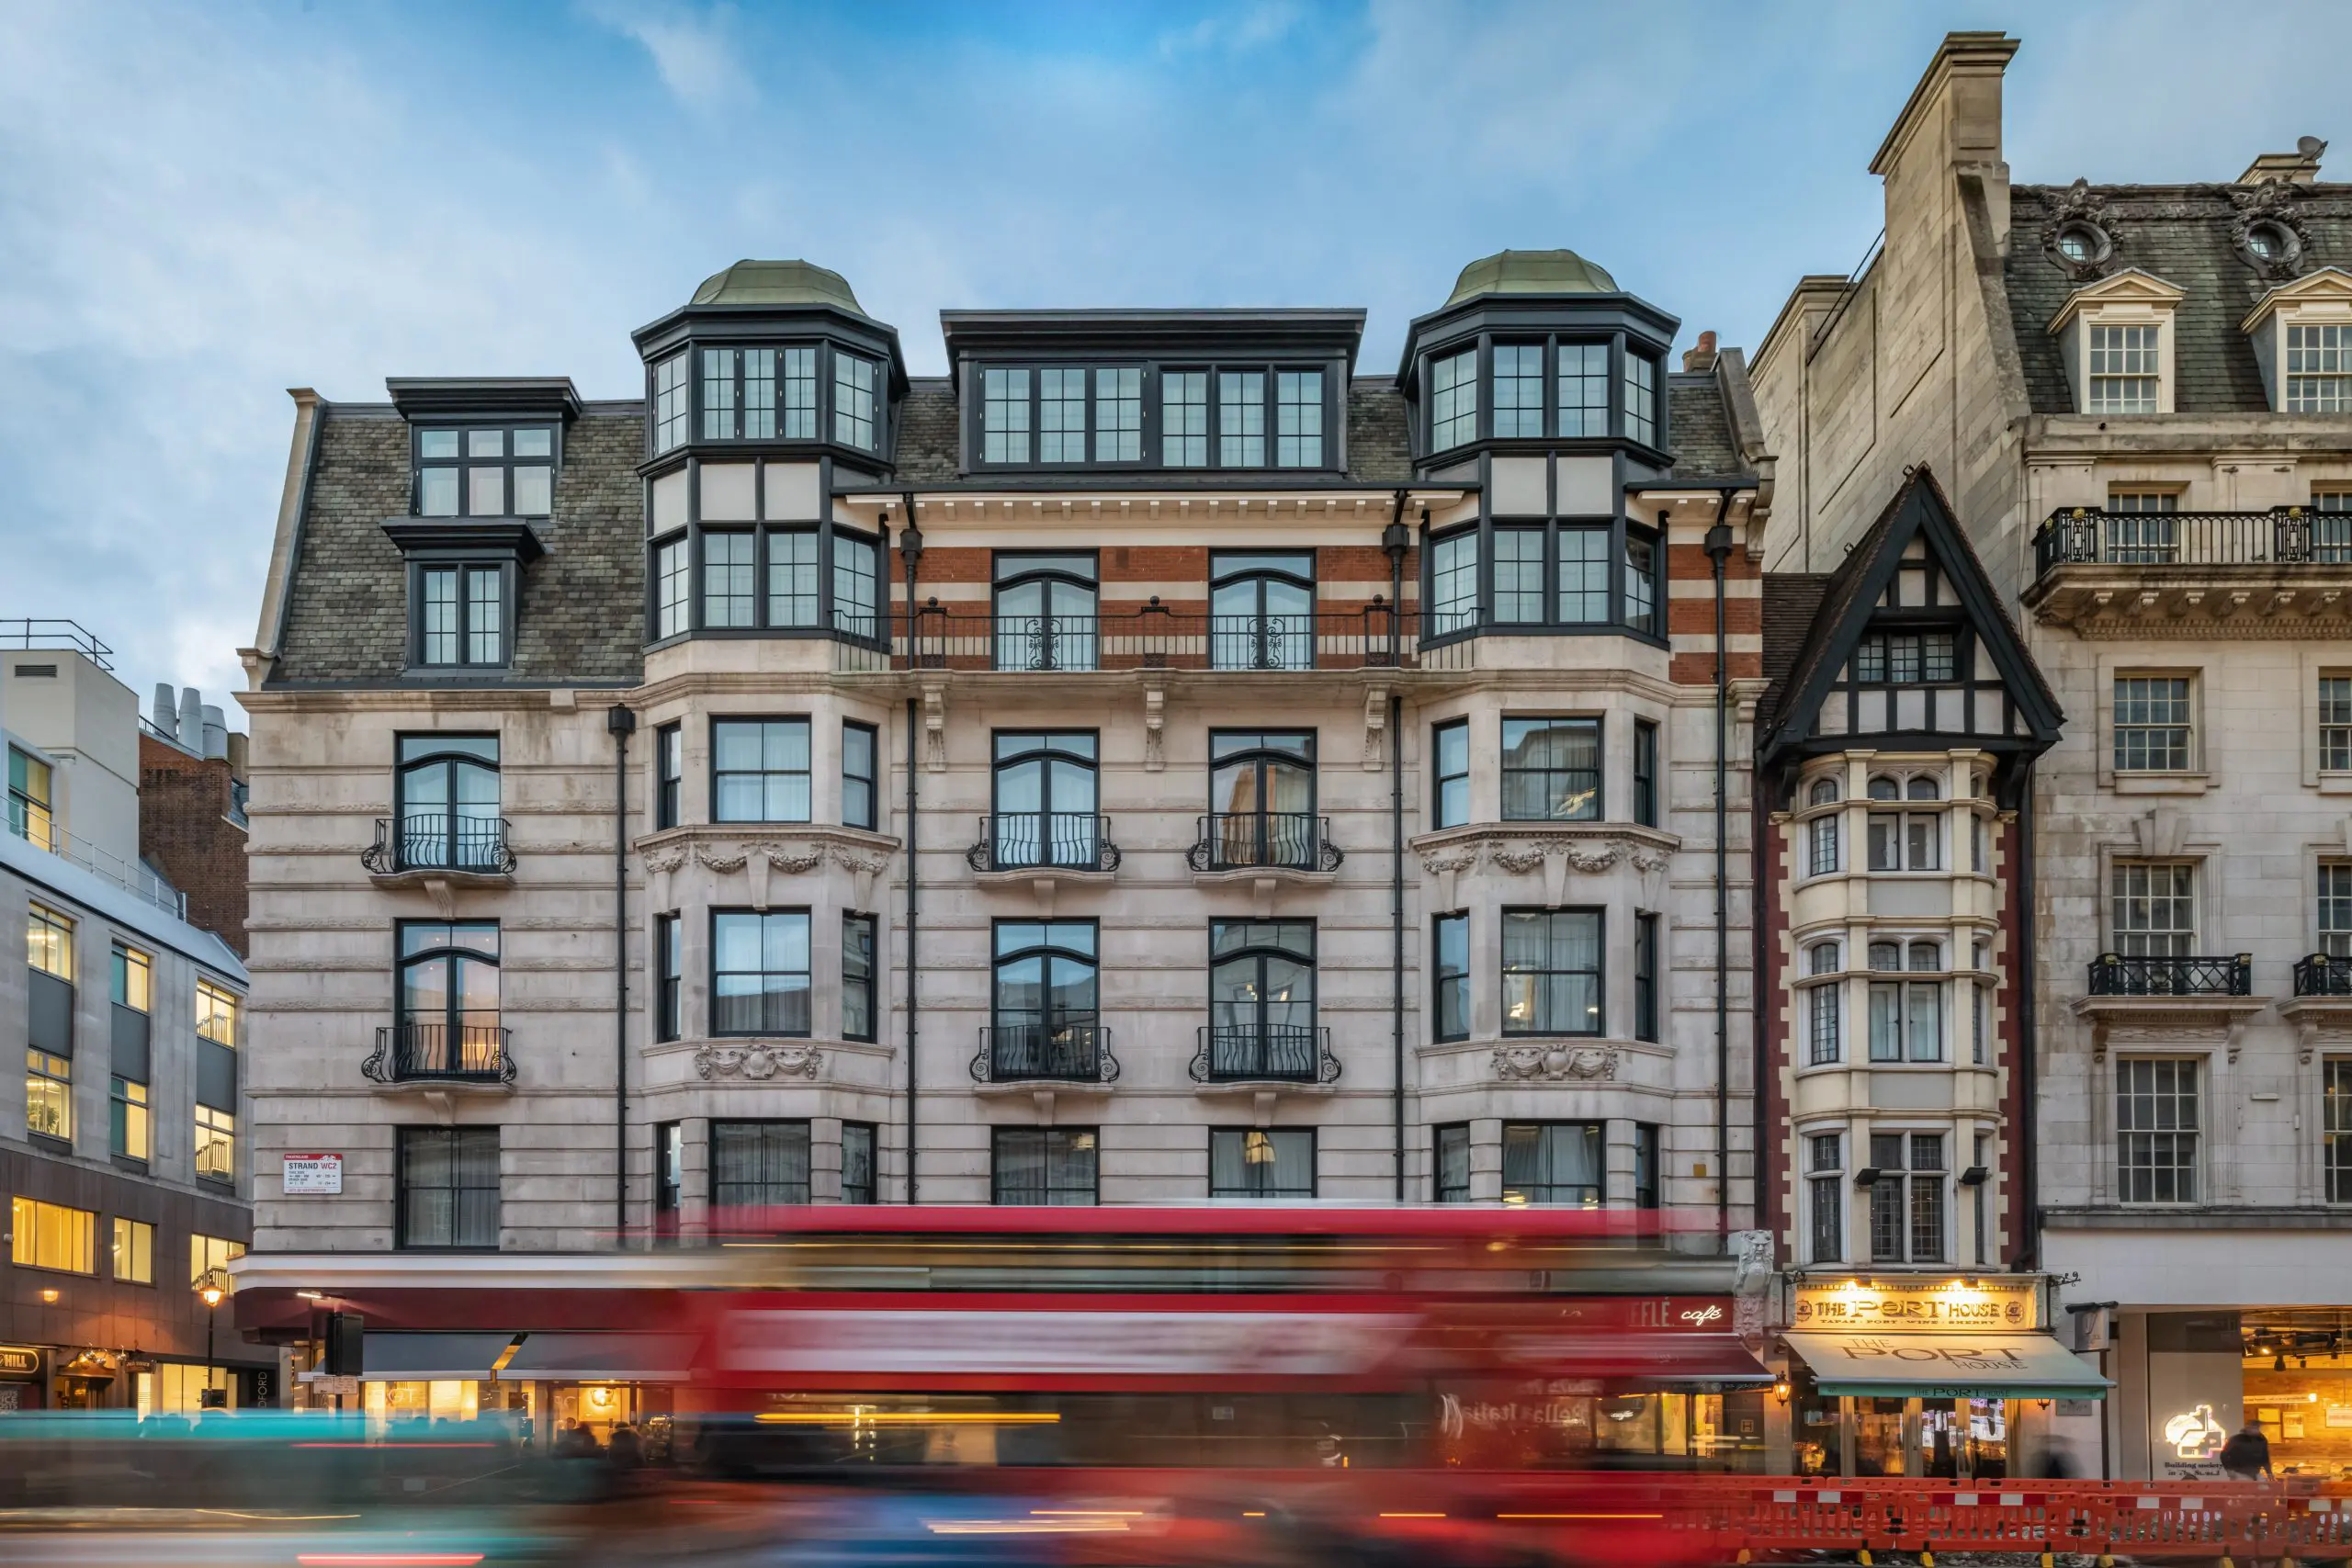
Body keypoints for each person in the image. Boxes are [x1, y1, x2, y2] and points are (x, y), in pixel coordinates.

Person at [2219, 1418, 2273, 1482]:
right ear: (2247, 1428)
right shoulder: (2236, 1439)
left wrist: (2269, 1472)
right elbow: (2224, 1454)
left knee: (2263, 1489)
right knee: (2245, 1489)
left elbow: (2265, 1457)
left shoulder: (2262, 1440)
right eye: (2253, 1427)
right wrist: (2230, 1470)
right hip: (2239, 1472)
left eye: (2256, 1427)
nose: (2255, 1429)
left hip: (2255, 1472)